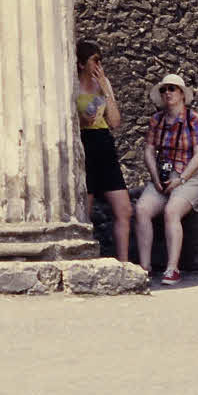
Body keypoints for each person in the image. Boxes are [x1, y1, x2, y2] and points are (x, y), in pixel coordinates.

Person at [136, 73, 198, 283]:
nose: (167, 93)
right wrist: (155, 177)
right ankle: (144, 268)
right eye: (163, 89)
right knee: (141, 209)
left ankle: (172, 268)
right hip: (163, 175)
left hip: (189, 176)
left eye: (172, 89)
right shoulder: (157, 120)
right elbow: (149, 150)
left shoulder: (195, 120)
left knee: (172, 211)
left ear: (182, 94)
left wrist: (182, 179)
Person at [74, 39, 132, 262]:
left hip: (104, 144)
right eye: (95, 60)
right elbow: (78, 121)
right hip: (84, 144)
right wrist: (85, 116)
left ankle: (124, 262)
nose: (99, 65)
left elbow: (115, 122)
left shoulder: (103, 83)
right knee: (85, 210)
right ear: (82, 64)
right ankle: (84, 259)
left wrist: (105, 90)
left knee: (124, 209)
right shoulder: (73, 86)